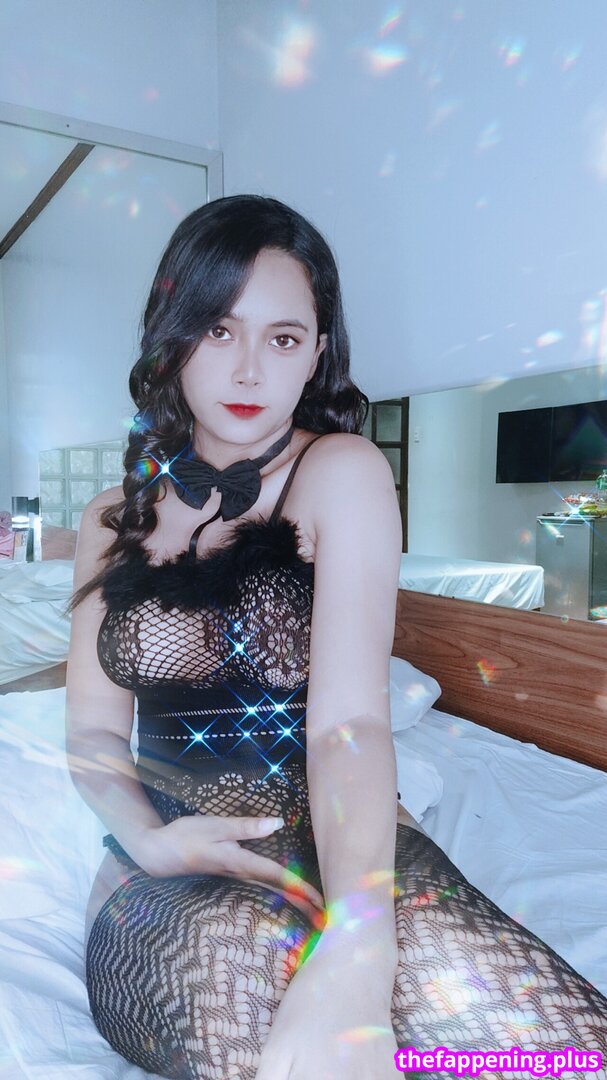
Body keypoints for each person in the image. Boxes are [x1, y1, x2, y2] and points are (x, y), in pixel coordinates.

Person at [66, 195, 607, 1080]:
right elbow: (91, 733)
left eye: (282, 338)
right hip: (171, 857)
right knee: (252, 996)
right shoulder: (108, 519)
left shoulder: (340, 472)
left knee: (552, 1048)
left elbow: (347, 725)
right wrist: (149, 840)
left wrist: (359, 942)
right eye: (218, 329)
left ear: (317, 351)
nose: (249, 369)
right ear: (173, 337)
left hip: (341, 841)